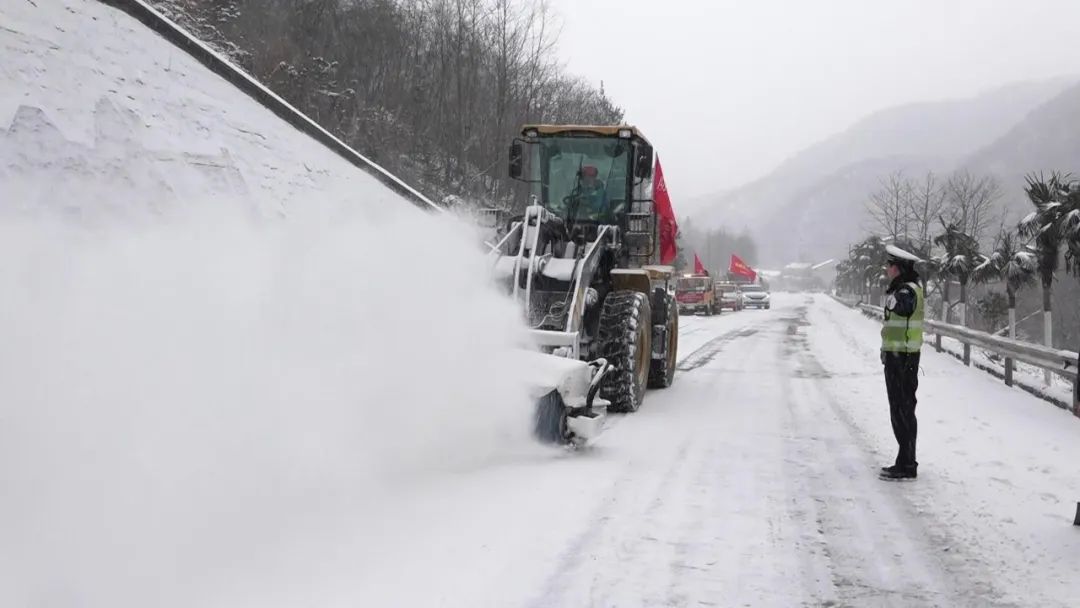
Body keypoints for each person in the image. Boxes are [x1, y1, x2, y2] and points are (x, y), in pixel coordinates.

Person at [879, 244, 924, 481]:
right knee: (901, 409)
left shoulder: (905, 291)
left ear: (898, 268)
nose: (887, 270)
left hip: (903, 359)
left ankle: (907, 463)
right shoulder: (906, 288)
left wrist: (894, 298)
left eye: (889, 266)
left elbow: (904, 308)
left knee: (902, 410)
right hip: (900, 356)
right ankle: (904, 460)